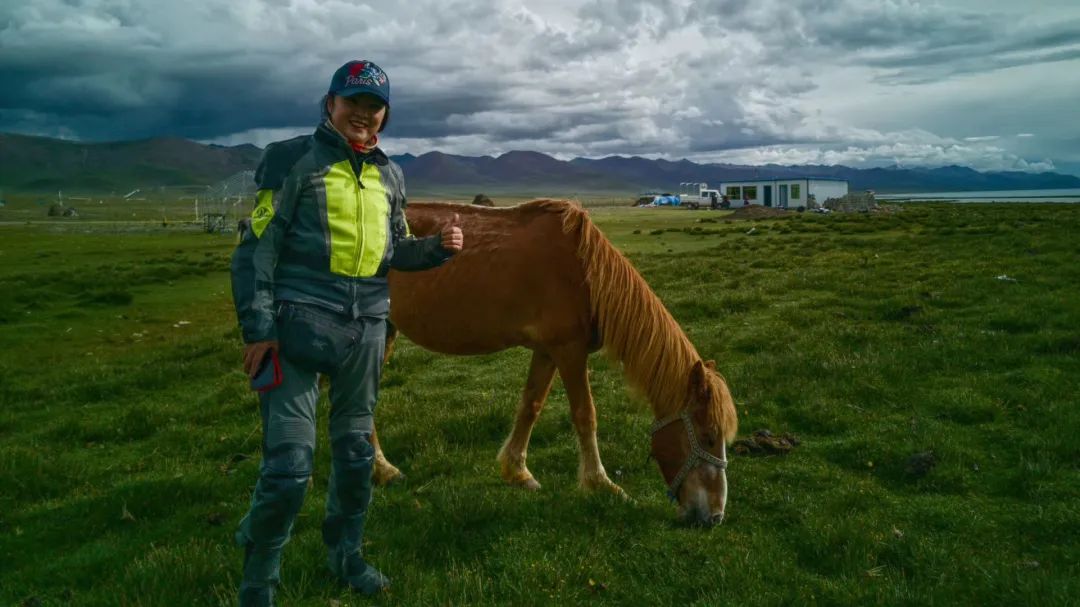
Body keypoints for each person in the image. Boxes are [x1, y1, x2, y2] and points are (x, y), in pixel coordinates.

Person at [230, 59, 463, 606]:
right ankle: (259, 578)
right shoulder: (291, 159)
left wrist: (437, 250)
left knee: (357, 457)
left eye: (374, 104)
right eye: (351, 100)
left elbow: (393, 250)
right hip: (296, 328)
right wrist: (258, 329)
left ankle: (346, 555)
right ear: (330, 103)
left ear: (384, 114)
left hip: (366, 333)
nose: (363, 113)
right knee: (289, 467)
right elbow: (256, 249)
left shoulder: (390, 174)